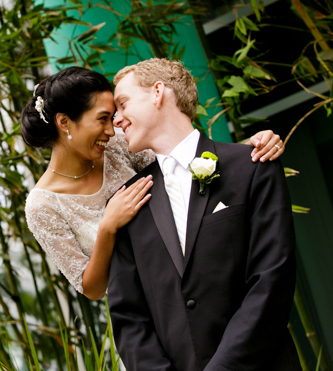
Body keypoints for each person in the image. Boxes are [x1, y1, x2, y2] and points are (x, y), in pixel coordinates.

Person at [22, 66, 284, 301]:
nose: (113, 130)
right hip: (143, 309)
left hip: (199, 282)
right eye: (103, 119)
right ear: (64, 122)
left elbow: (182, 167)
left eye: (114, 117)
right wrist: (108, 226)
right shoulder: (42, 206)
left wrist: (248, 151)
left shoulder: (118, 146)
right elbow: (91, 288)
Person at [108, 58, 300, 371]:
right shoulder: (126, 204)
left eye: (123, 103)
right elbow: (128, 318)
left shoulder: (251, 169)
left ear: (158, 93)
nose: (117, 120)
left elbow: (271, 278)